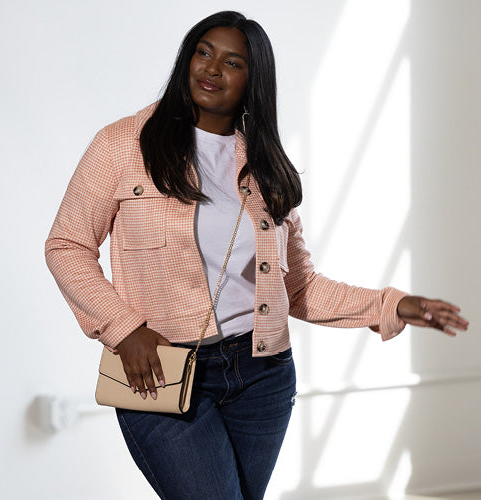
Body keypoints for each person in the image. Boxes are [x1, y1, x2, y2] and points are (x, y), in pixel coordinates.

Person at [45, 10, 468, 500]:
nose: (211, 69)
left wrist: (393, 304)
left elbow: (296, 287)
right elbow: (67, 246)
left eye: (232, 62)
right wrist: (123, 328)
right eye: (203, 52)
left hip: (262, 375)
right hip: (160, 370)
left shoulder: (264, 166)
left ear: (253, 80)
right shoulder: (123, 144)